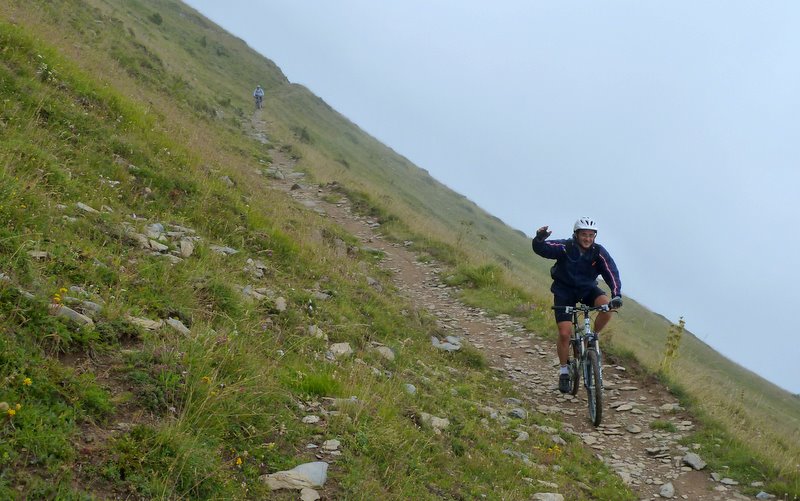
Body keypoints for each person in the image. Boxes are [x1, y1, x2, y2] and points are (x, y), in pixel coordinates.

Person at [531, 217, 622, 393]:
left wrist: (616, 295)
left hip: (587, 289)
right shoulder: (566, 247)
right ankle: (564, 372)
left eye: (591, 235)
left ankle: (592, 336)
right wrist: (539, 238)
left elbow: (612, 273)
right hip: (564, 292)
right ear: (576, 234)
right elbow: (542, 249)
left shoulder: (599, 252)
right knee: (565, 334)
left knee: (608, 306)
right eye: (584, 235)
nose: (587, 239)